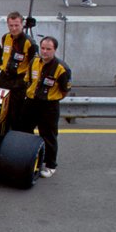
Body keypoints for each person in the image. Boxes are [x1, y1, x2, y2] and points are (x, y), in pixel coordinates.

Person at [19, 37, 72, 179]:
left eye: (48, 49)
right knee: (24, 130)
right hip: (31, 102)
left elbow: (65, 90)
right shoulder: (34, 61)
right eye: (43, 48)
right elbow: (28, 80)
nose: (45, 52)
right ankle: (25, 158)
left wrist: (52, 98)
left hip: (49, 106)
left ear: (54, 50)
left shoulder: (61, 68)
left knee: (48, 135)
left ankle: (50, 165)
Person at [0, 11, 36, 132]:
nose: (13, 28)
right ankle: (1, 139)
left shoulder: (29, 43)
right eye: (11, 25)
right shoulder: (5, 38)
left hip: (19, 83)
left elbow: (33, 65)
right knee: (3, 114)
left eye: (16, 25)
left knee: (16, 116)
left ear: (22, 25)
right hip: (5, 79)